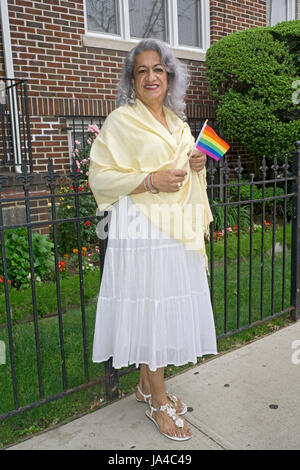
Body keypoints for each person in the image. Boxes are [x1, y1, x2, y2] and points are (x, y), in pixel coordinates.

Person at [88, 38, 218, 441]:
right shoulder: (121, 121)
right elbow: (99, 174)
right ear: (132, 78)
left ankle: (146, 386)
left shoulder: (179, 124)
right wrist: (148, 180)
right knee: (151, 304)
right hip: (141, 228)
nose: (150, 76)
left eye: (158, 69)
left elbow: (185, 169)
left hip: (176, 229)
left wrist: (198, 162)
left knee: (159, 303)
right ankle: (158, 401)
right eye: (142, 70)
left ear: (169, 76)